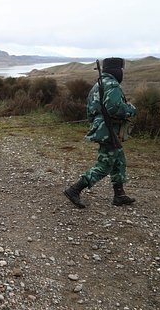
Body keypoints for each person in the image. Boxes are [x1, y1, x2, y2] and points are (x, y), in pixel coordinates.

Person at [64, 57, 137, 208]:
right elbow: (115, 109)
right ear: (116, 71)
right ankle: (75, 189)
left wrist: (97, 124)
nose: (122, 73)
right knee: (105, 165)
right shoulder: (112, 85)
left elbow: (90, 111)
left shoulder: (98, 84)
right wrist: (131, 109)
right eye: (121, 70)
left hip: (103, 129)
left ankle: (119, 195)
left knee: (119, 160)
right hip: (109, 130)